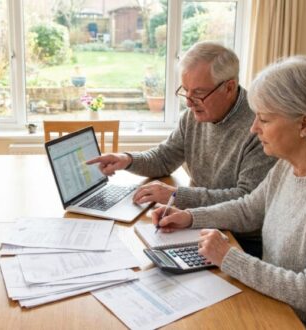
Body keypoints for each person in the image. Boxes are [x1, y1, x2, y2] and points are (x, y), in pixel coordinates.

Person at [152, 56, 306, 329]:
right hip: (271, 305)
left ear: (304, 125)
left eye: (264, 119)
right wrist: (190, 217)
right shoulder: (286, 168)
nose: (254, 128)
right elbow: (248, 209)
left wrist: (229, 257)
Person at [88, 41, 276, 256]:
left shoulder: (259, 128)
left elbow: (246, 202)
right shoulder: (194, 116)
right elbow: (164, 157)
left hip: (239, 241)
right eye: (185, 91)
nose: (188, 102)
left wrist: (176, 195)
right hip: (200, 223)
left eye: (198, 93)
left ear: (229, 87)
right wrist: (127, 159)